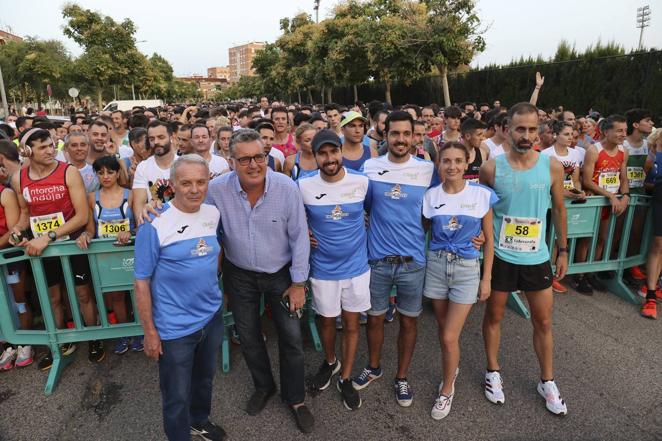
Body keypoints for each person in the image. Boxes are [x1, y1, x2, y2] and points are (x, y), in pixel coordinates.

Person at [205, 129, 314, 433]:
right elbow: (188, 210)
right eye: (245, 159)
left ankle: (295, 399)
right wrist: (150, 210)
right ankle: (264, 387)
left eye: (259, 157)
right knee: (250, 336)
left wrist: (298, 283)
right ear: (231, 161)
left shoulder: (286, 187)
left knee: (291, 338)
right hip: (239, 274)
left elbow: (299, 238)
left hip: (281, 274)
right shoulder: (216, 190)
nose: (254, 164)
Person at [479, 102, 569, 416]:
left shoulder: (552, 166)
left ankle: (547, 380)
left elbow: (558, 210)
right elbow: (482, 210)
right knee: (494, 317)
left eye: (532, 129)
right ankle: (492, 371)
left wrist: (563, 249)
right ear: (507, 129)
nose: (527, 135)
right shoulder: (491, 168)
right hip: (502, 256)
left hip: (537, 258)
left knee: (543, 321)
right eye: (520, 129)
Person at [135, 154, 226, 441]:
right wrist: (150, 331)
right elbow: (141, 281)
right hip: (174, 329)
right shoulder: (154, 222)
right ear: (172, 184)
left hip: (211, 318)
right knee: (175, 395)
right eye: (186, 183)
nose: (194, 189)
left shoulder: (212, 213)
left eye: (201, 181)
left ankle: (199, 421)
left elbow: (216, 251)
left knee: (204, 381)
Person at [354, 111, 438, 407]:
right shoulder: (370, 166)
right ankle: (374, 367)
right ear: (384, 135)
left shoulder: (428, 169)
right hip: (377, 260)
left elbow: (437, 209)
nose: (400, 139)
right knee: (374, 319)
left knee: (409, 322)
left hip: (412, 262)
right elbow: (361, 209)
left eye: (406, 134)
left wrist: (476, 235)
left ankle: (402, 377)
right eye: (395, 133)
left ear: (415, 136)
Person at [9, 128, 103, 369]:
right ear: (28, 151)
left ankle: (93, 337)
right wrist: (18, 232)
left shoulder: (68, 172)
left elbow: (82, 216)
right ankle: (61, 344)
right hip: (45, 248)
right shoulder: (20, 177)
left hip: (71, 242)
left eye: (51, 145)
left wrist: (47, 237)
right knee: (53, 297)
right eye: (42, 147)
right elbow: (25, 215)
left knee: (83, 294)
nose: (50, 150)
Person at [424, 141, 496, 420]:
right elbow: (422, 230)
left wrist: (486, 278)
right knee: (445, 332)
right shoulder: (430, 197)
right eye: (446, 161)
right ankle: (451, 365)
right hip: (437, 265)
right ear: (439, 164)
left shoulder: (481, 195)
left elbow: (489, 241)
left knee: (448, 335)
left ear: (467, 164)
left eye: (457, 161)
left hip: (467, 268)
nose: (452, 166)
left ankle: (447, 389)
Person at [301, 129, 371, 410]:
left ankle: (345, 377)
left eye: (333, 152)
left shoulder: (362, 183)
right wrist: (303, 232)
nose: (329, 158)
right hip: (322, 269)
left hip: (356, 268)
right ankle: (331, 363)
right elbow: (295, 219)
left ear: (341, 152)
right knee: (327, 321)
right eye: (323, 153)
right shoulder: (302, 185)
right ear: (315, 156)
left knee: (352, 324)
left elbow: (374, 212)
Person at [77, 155, 139, 355]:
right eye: (100, 172)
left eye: (110, 172)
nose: (105, 176)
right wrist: (85, 236)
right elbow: (90, 228)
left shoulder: (131, 195)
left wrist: (130, 232)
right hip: (106, 255)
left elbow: (140, 225)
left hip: (130, 252)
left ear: (118, 172)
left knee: (138, 293)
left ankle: (140, 331)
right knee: (117, 296)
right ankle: (124, 333)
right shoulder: (91, 197)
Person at [576, 115, 629, 294]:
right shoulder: (594, 150)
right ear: (606, 132)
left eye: (625, 130)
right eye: (619, 130)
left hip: (609, 202)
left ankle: (591, 273)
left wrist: (626, 195)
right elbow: (587, 181)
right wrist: (611, 196)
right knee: (587, 239)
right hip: (596, 200)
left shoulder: (623, 151)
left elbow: (623, 176)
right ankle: (580, 276)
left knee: (602, 238)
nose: (623, 134)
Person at [0, 173, 34, 370]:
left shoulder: (5, 194)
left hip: (10, 257)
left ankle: (25, 343)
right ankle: (8, 345)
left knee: (19, 302)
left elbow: (13, 228)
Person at [132, 120, 177, 224]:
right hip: (155, 224)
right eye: (152, 139)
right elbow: (139, 206)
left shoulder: (184, 164)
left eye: (161, 137)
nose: (156, 142)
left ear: (171, 137)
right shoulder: (143, 167)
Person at [640, 128, 662, 319]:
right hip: (660, 196)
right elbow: (647, 182)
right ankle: (651, 295)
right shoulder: (655, 153)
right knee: (658, 245)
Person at [460, 118, 490, 182]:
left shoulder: (482, 153)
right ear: (468, 136)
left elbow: (482, 180)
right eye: (479, 135)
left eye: (482, 135)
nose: (482, 138)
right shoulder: (453, 152)